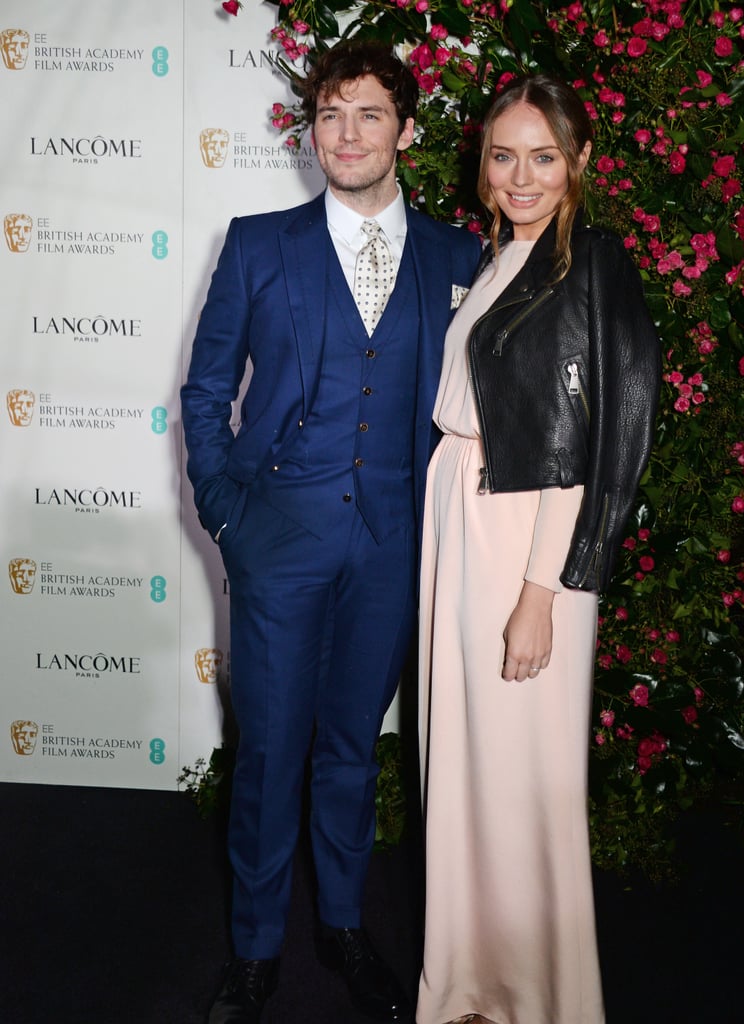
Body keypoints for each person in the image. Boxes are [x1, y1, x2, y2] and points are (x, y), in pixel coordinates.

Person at [180, 39, 481, 1024]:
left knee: (352, 747)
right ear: (311, 129)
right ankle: (257, 948)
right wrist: (228, 512)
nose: (343, 135)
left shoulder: (454, 254)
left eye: (365, 114)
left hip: (394, 546)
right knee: (268, 749)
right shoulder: (259, 244)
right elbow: (206, 389)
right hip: (279, 538)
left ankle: (344, 929)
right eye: (327, 115)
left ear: (404, 127)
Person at [416, 74, 660, 1024]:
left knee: (522, 776)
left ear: (580, 163)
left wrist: (540, 592)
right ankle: (474, 985)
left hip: (523, 535)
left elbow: (588, 443)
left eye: (543, 156)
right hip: (464, 515)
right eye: (503, 154)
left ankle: (539, 997)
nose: (521, 175)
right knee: (468, 764)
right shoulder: (497, 259)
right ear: (483, 165)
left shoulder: (586, 263)